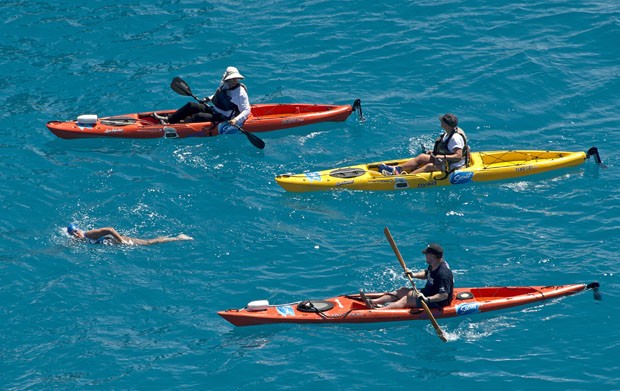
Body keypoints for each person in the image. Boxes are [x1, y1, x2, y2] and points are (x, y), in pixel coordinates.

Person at [360, 243, 454, 309]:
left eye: (427, 255)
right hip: (428, 292)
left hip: (437, 302)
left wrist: (427, 299)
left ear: (432, 256)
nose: (425, 256)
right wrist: (413, 275)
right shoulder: (434, 264)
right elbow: (427, 274)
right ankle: (373, 302)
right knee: (402, 291)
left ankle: (379, 311)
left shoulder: (443, 274)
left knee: (407, 298)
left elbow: (443, 295)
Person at [156, 66, 251, 130]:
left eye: (235, 79)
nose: (234, 81)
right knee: (191, 105)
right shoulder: (224, 84)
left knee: (199, 116)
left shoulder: (240, 93)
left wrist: (235, 120)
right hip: (214, 110)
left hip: (225, 117)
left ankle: (177, 126)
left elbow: (246, 110)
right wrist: (207, 99)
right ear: (226, 78)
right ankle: (169, 119)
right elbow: (219, 95)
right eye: (231, 79)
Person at [378, 113, 469, 175]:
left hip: (453, 166)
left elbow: (458, 156)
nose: (440, 122)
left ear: (447, 125)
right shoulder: (449, 132)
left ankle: (406, 178)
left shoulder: (455, 138)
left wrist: (442, 157)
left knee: (429, 166)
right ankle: (398, 169)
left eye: (442, 122)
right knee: (421, 157)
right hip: (445, 161)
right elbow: (447, 149)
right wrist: (435, 152)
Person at [66, 223, 193, 245]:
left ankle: (178, 238)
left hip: (121, 241)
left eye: (76, 231)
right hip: (115, 243)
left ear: (80, 229)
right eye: (73, 234)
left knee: (148, 243)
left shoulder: (89, 234)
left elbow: (109, 229)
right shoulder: (79, 239)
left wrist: (121, 241)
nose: (76, 235)